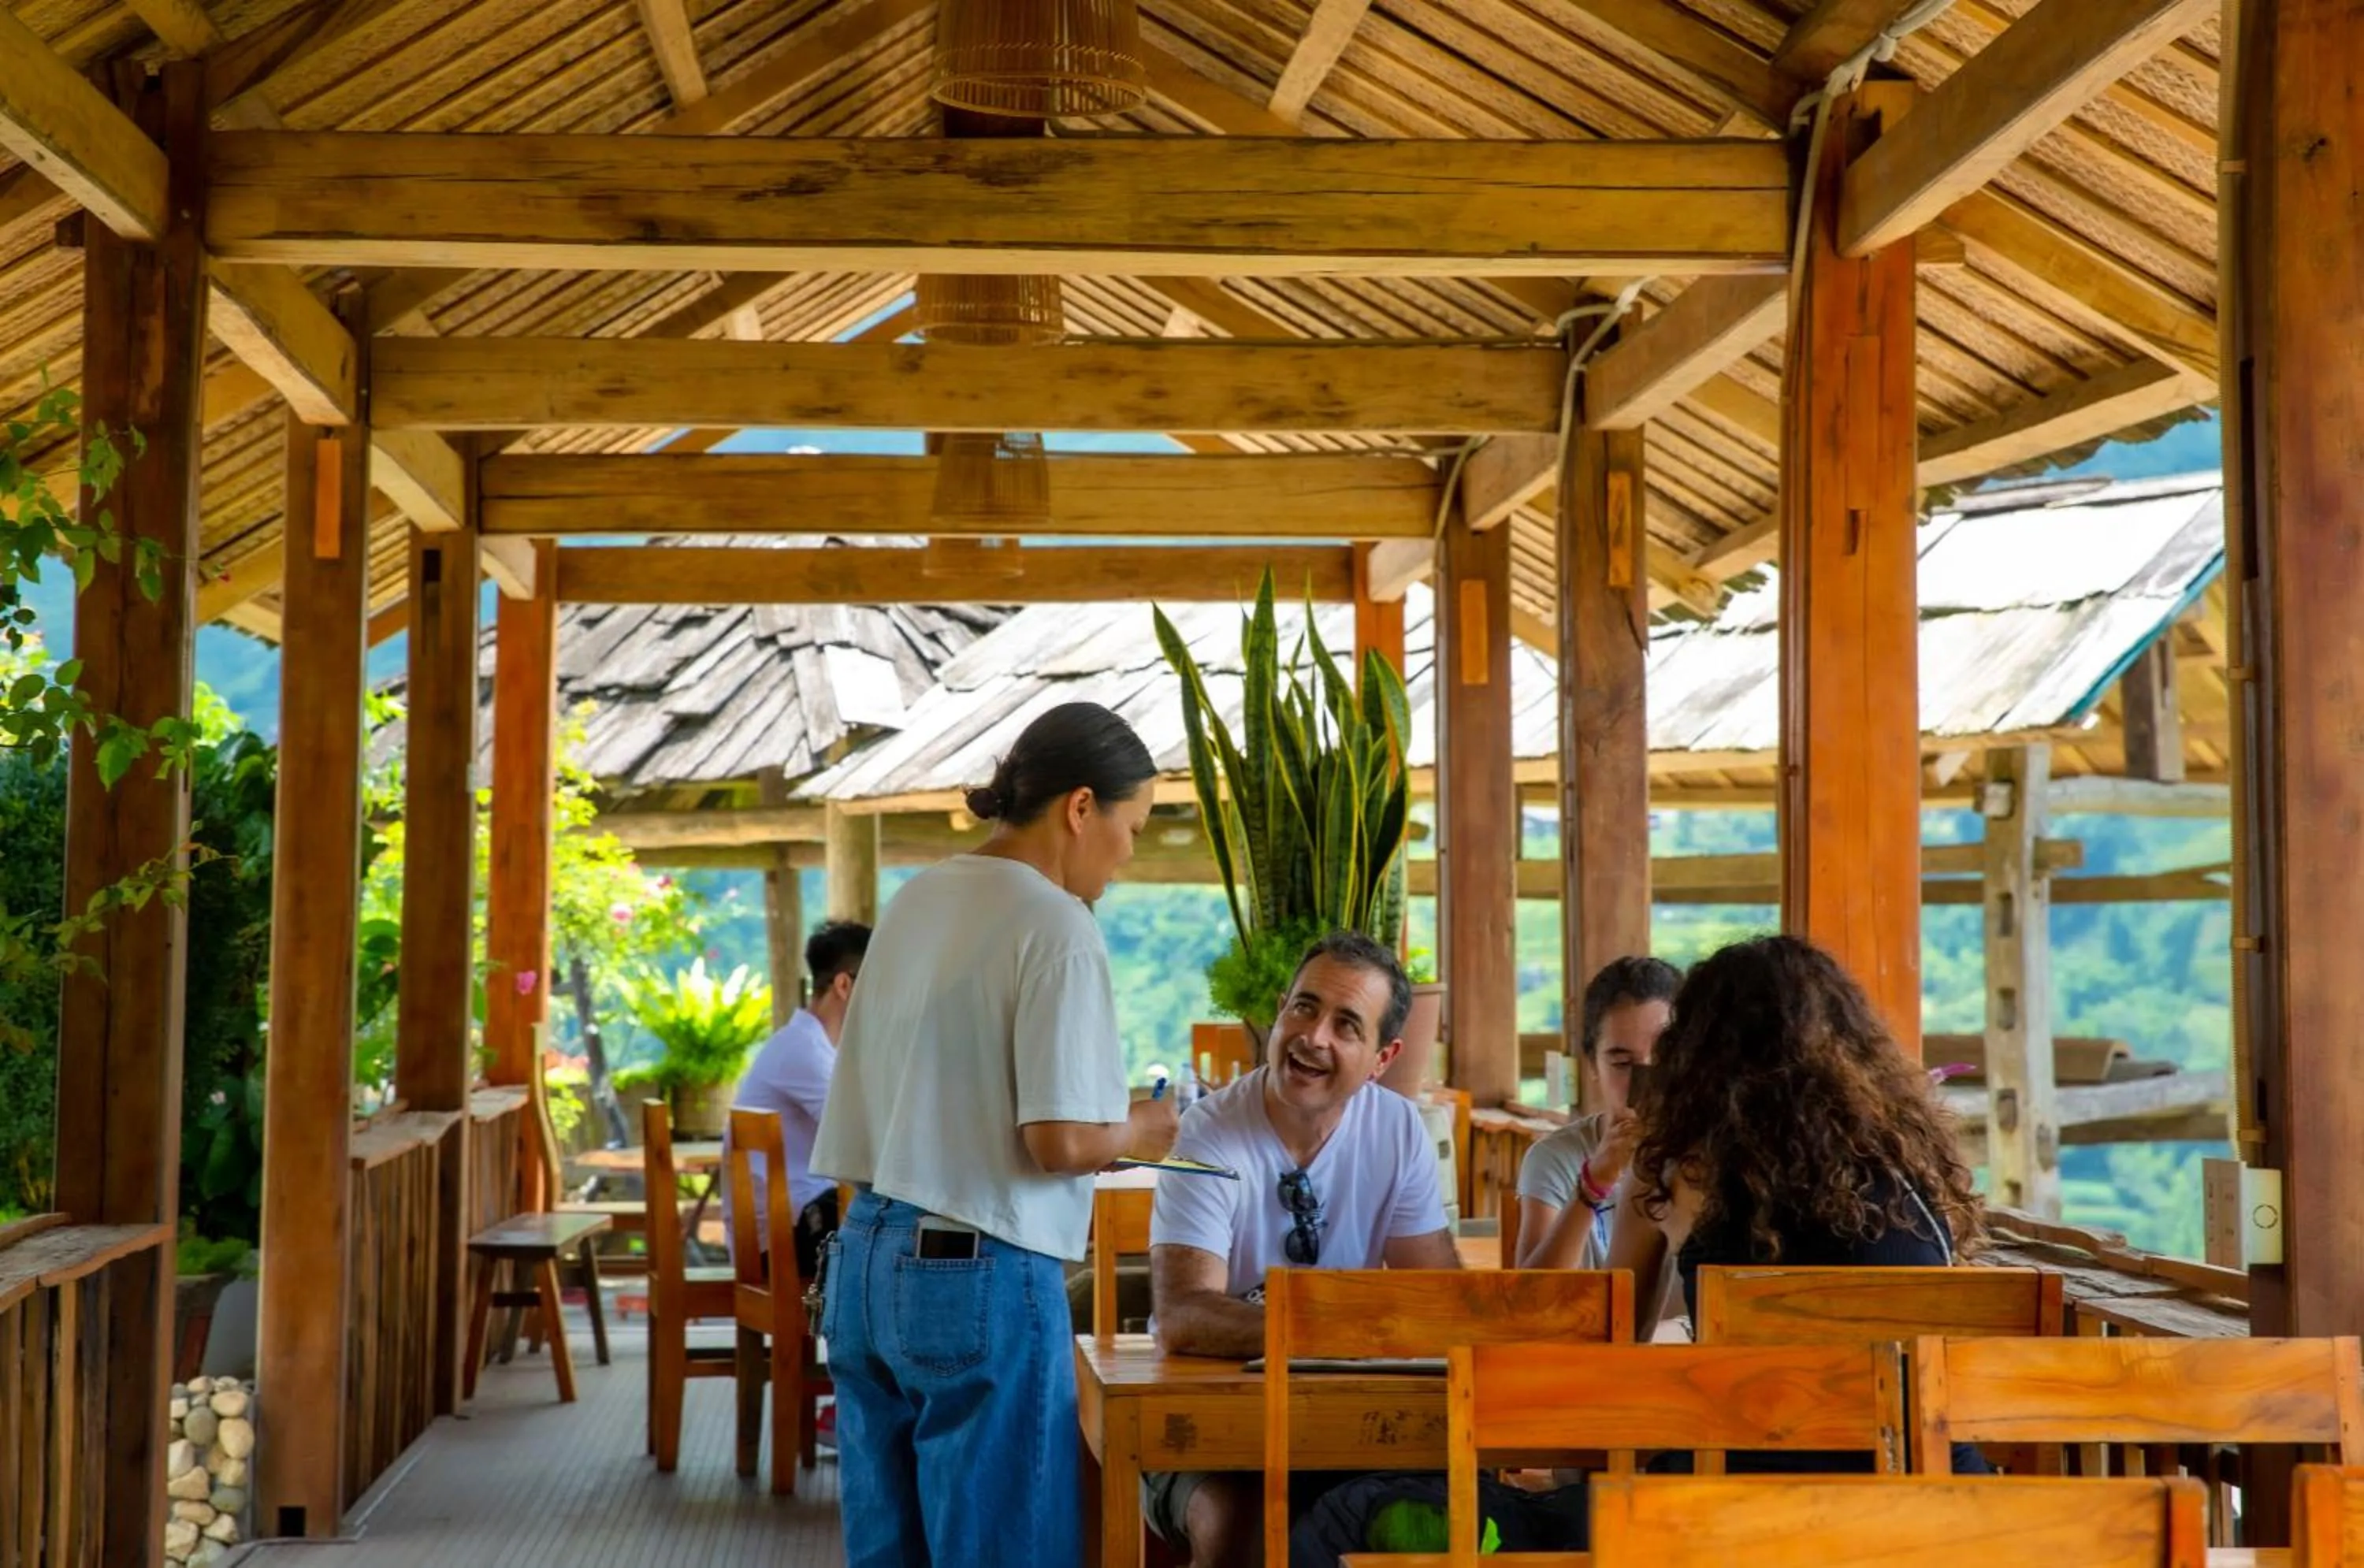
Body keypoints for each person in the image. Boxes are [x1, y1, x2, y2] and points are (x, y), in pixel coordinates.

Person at [812, 701, 1180, 1568]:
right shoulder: (1056, 922)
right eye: (1133, 825)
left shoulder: (916, 899)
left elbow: (940, 1090)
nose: (1129, 853)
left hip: (864, 1255)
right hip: (975, 1273)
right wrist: (1147, 1127)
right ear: (1081, 807)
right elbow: (1056, 1141)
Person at [1606, 933, 1989, 1471]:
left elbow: (1613, 1350)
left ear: (1695, 1054)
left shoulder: (1676, 1172)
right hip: (1928, 1487)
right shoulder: (1912, 1169)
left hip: (1754, 1493)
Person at [1146, 930, 1460, 1566]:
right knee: (1239, 1520)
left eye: (1347, 1025)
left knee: (1439, 1509)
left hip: (1343, 1417)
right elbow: (1183, 1315)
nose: (1314, 1037)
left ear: (1382, 1056)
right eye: (1304, 1008)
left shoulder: (1397, 1129)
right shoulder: (1209, 1131)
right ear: (1280, 1011)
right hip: (1204, 1423)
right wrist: (1338, 1328)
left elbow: (1439, 1302)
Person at [721, 919, 868, 1286]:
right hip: (779, 1241)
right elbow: (865, 1138)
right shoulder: (804, 1051)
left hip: (786, 1227)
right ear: (845, 985)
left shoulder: (810, 1044)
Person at [1512, 956, 1679, 1271]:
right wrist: (1592, 1186)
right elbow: (1532, 1303)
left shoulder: (1714, 1157)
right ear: (1592, 1065)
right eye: (1622, 1063)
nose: (1645, 1080)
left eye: (1664, 1058)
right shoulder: (1557, 1158)